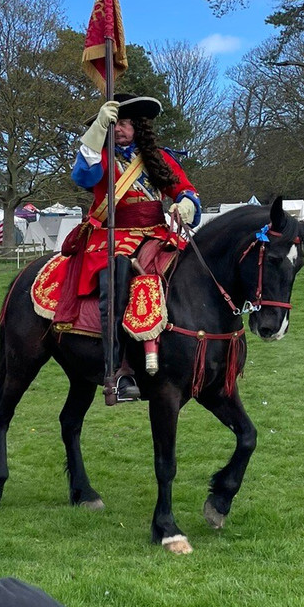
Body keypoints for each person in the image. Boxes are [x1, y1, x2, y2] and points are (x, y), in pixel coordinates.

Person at [72, 93, 200, 402]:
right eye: (115, 124)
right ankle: (117, 369)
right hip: (113, 235)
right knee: (115, 283)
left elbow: (185, 189)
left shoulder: (158, 157)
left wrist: (184, 205)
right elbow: (82, 176)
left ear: (138, 127)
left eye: (126, 123)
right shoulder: (99, 158)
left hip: (157, 231)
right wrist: (97, 129)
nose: (120, 130)